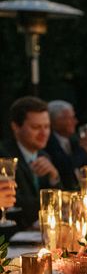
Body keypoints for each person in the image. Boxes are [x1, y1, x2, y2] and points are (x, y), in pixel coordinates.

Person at [0, 96, 60, 229]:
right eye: (36, 127)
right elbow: (18, 205)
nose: (44, 133)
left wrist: (54, 177)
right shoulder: (4, 156)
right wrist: (48, 205)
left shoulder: (44, 156)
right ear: (16, 127)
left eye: (46, 127)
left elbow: (62, 203)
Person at [46, 100, 87, 190]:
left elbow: (86, 166)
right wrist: (84, 149)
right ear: (55, 121)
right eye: (70, 118)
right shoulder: (48, 143)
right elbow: (65, 167)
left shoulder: (73, 140)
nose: (75, 121)